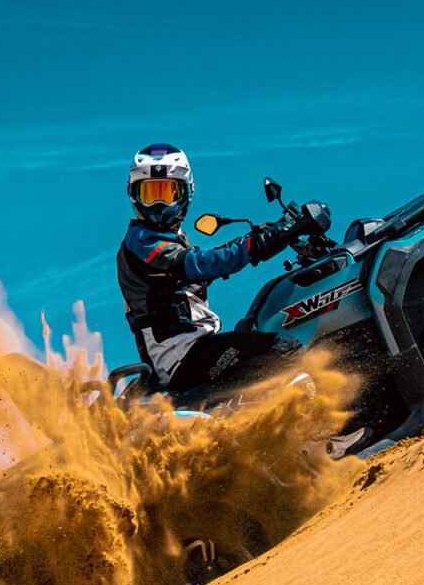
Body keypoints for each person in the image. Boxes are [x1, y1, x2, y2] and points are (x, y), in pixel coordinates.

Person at [116, 143, 303, 402]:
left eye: (168, 192)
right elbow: (198, 264)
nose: (159, 203)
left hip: (190, 351)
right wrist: (257, 243)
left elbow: (205, 262)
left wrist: (267, 236)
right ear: (133, 195)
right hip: (181, 355)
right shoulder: (142, 241)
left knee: (257, 325)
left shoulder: (171, 239)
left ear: (186, 193)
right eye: (149, 193)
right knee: (285, 350)